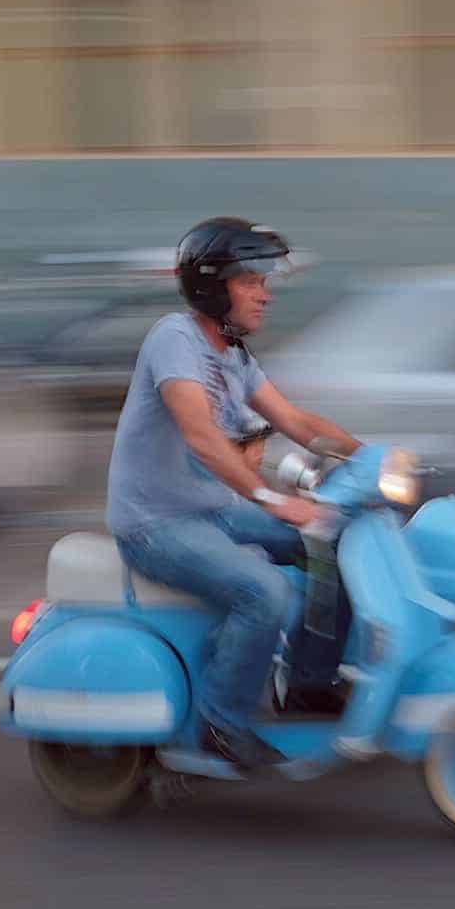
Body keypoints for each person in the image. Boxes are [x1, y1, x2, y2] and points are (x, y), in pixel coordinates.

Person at [106, 217, 360, 770]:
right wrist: (273, 501)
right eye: (252, 281)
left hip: (213, 512)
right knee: (263, 592)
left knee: (338, 541)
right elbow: (200, 436)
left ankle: (310, 685)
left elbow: (295, 419)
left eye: (265, 282)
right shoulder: (173, 339)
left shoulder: (236, 358)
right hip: (155, 525)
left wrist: (373, 458)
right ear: (213, 285)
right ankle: (221, 724)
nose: (265, 295)